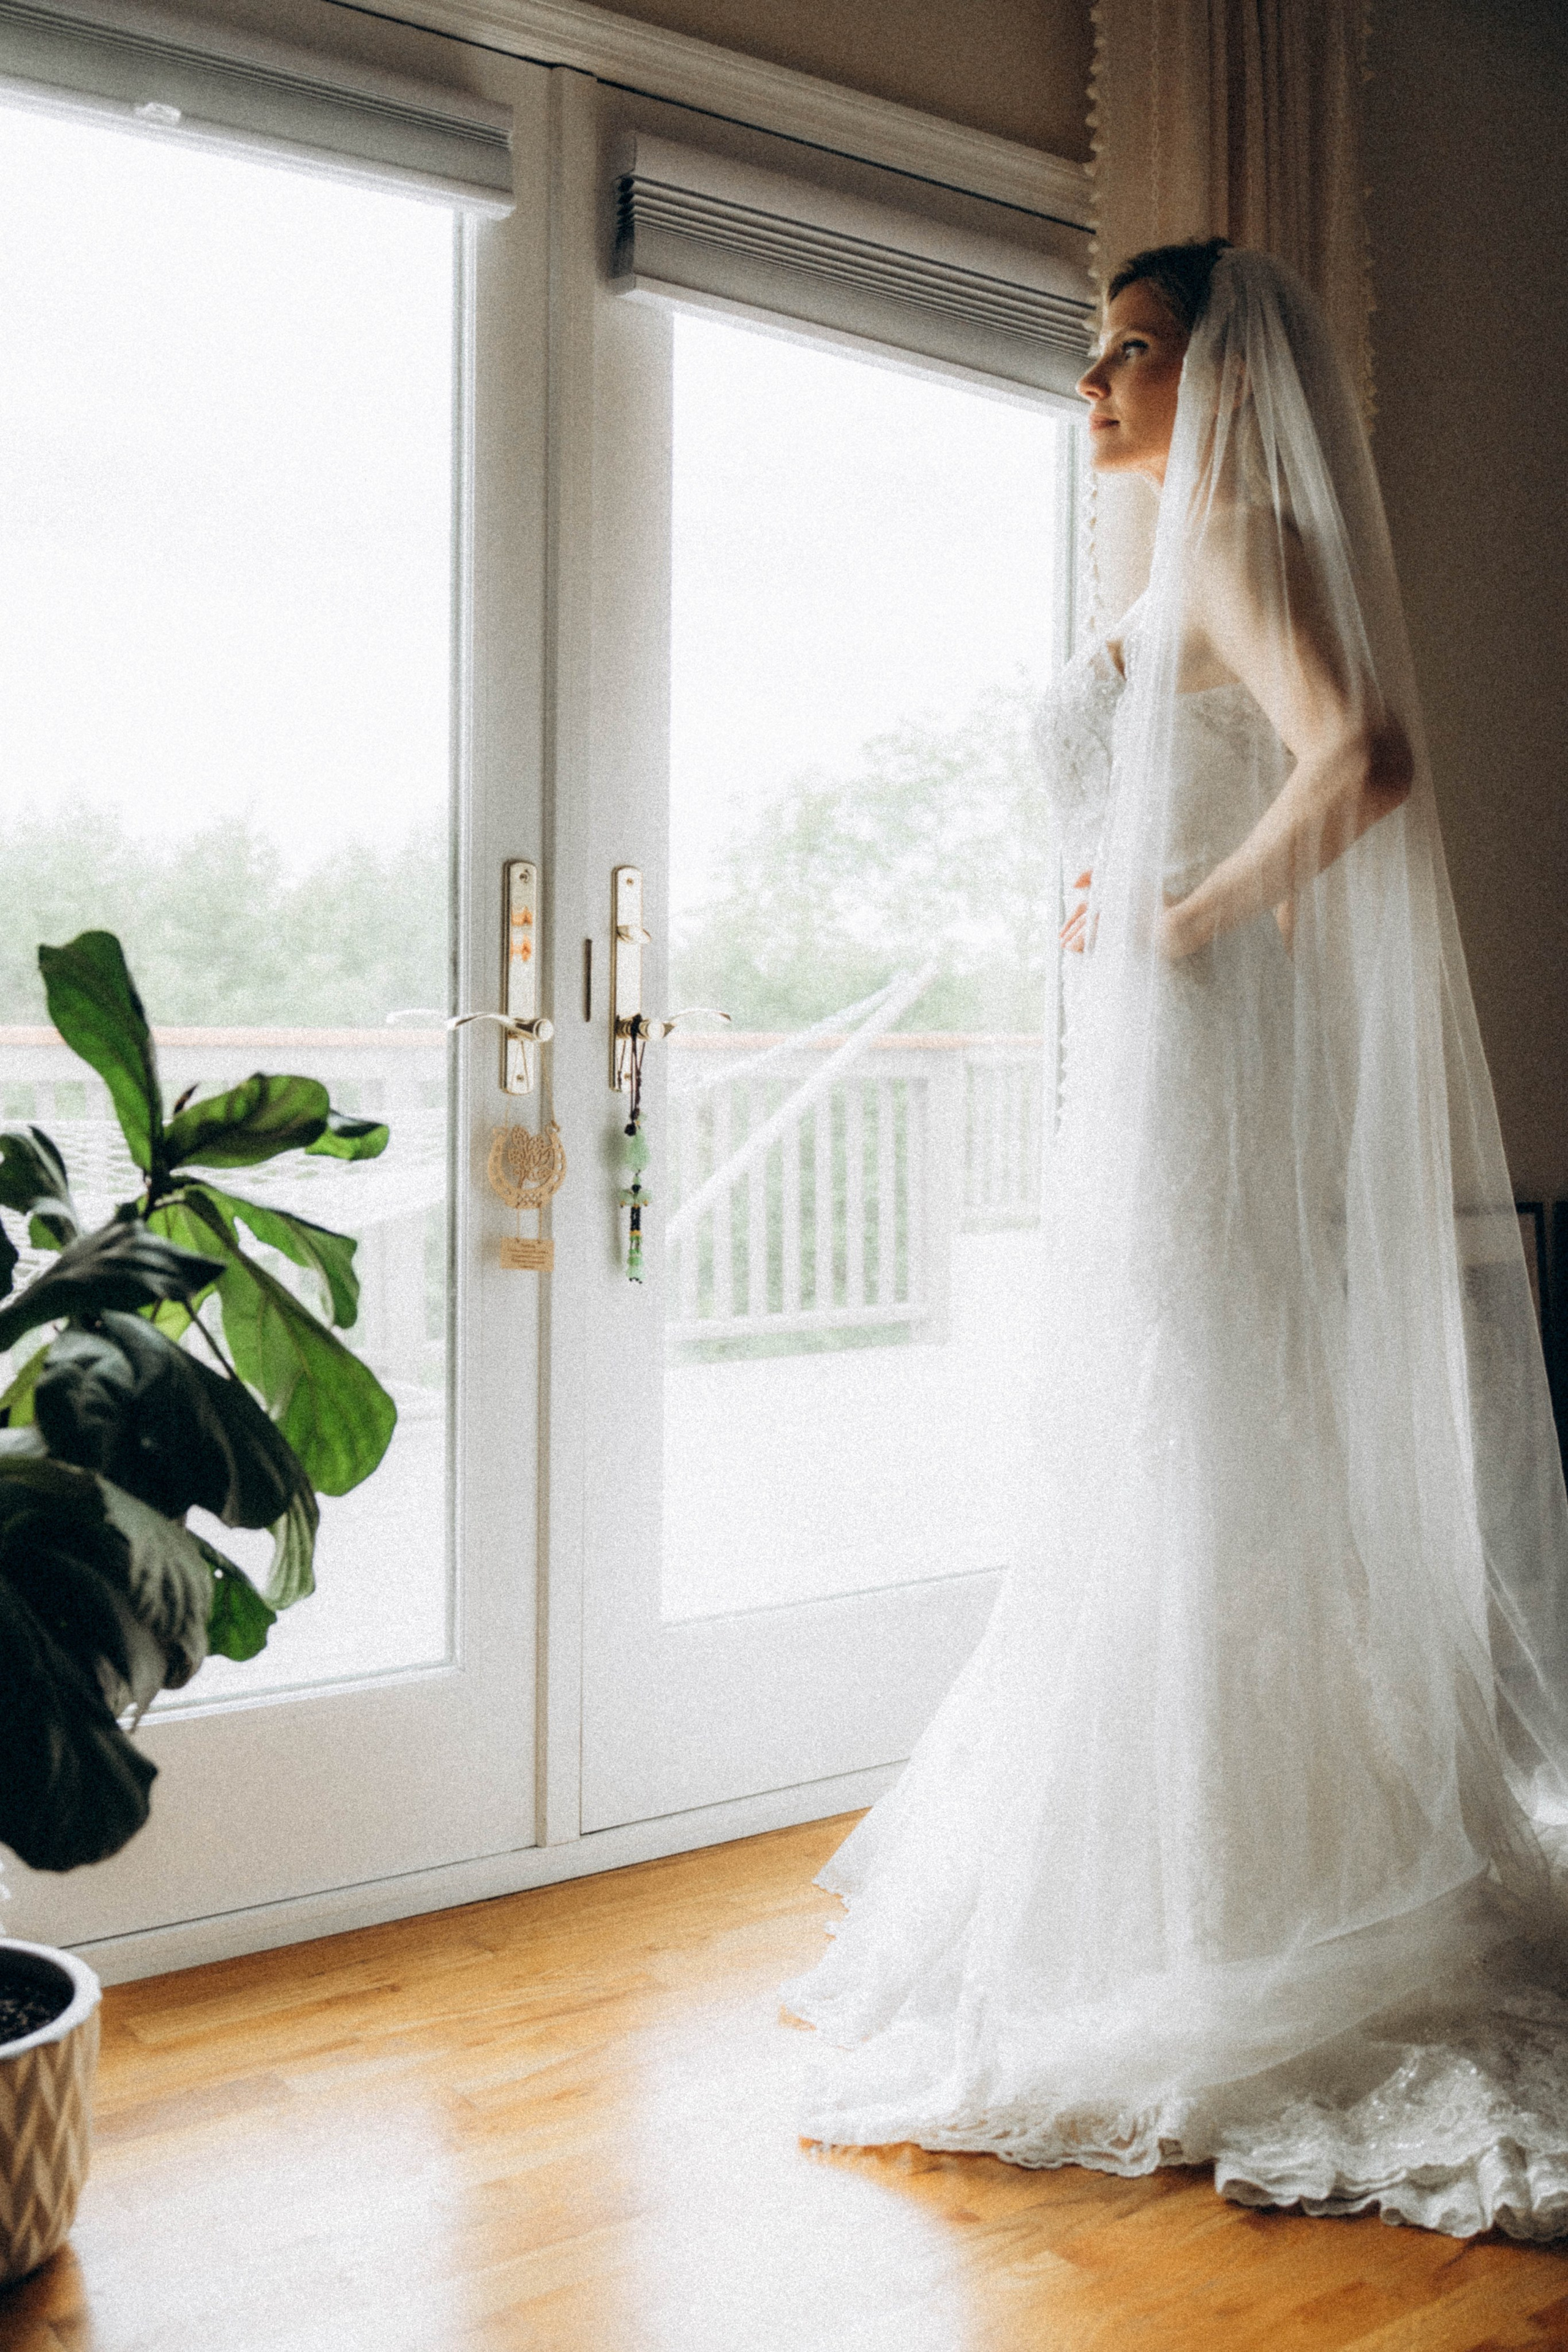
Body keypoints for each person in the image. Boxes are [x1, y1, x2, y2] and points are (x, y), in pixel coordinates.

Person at [784, 241, 1568, 2241]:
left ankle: (1261, 1894)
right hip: (1168, 1068)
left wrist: (1178, 924)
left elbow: (1367, 756)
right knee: (1179, 1447)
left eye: (1128, 354)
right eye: (1094, 354)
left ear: (1220, 378)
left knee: (1210, 1449)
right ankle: (1198, 1868)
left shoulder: (1236, 530)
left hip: (1199, 1056)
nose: (1093, 389)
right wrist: (1148, 921)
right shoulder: (1180, 554)